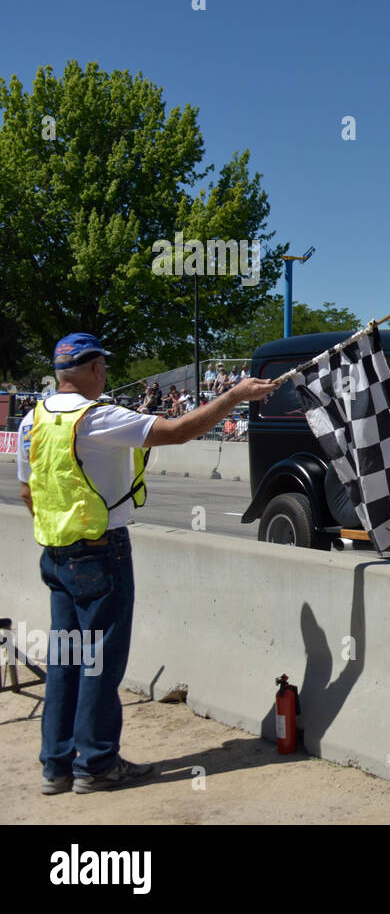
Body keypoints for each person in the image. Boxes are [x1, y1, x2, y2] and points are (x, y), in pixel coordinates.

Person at [16, 333, 279, 795]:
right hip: (101, 552)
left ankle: (56, 765)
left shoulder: (32, 419)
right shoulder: (98, 418)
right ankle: (96, 763)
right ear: (94, 368)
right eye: (104, 367)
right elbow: (177, 431)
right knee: (100, 663)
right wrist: (234, 397)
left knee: (65, 661)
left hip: (56, 554)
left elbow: (26, 492)